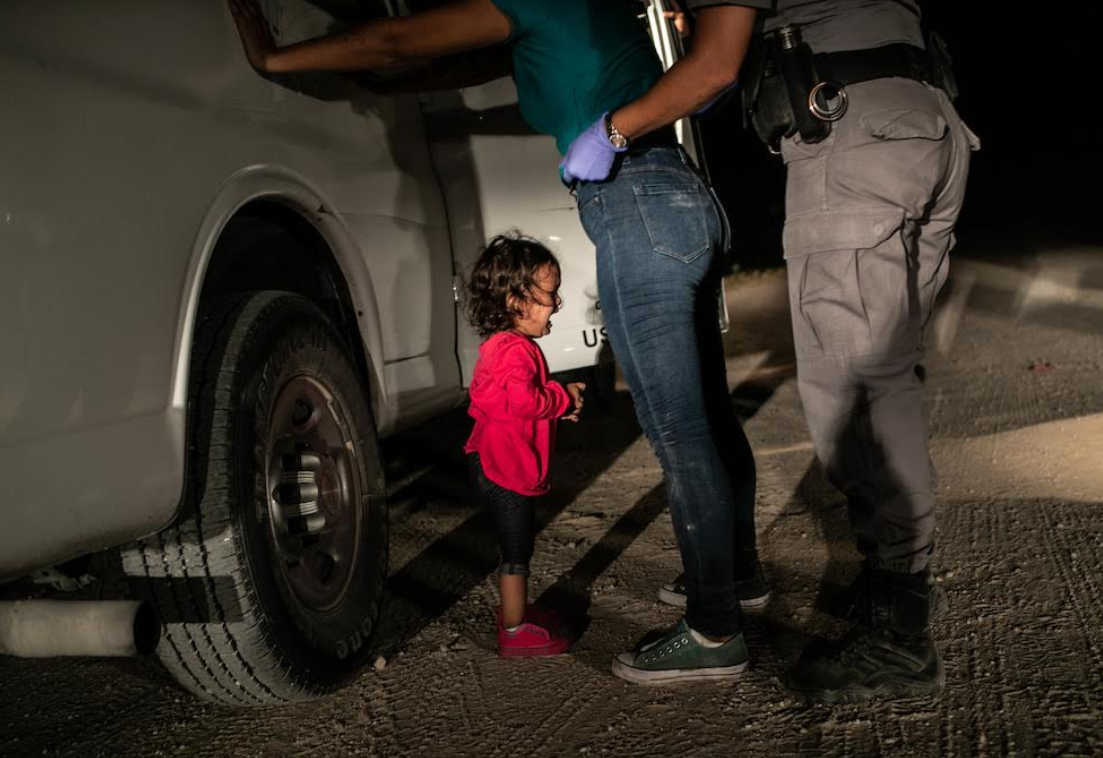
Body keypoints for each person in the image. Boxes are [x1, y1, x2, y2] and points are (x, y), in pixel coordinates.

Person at [226, 0, 767, 684]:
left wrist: (273, 58)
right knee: (708, 419)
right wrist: (365, 81)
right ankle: (735, 577)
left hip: (633, 201)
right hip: (677, 196)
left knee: (678, 430)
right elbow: (431, 65)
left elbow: (396, 38)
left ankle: (714, 627)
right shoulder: (570, 20)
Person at [563, 0, 977, 703]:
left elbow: (714, 66)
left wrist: (611, 129)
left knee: (855, 394)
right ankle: (891, 593)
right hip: (927, 122)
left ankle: (899, 638)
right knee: (888, 377)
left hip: (853, 137)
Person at [463, 234, 583, 657]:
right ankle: (514, 629)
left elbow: (511, 402)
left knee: (515, 545)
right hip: (505, 468)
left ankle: (518, 613)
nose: (557, 303)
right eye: (549, 294)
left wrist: (556, 404)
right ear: (517, 302)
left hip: (491, 460)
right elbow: (522, 401)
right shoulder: (515, 351)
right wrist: (562, 398)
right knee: (516, 549)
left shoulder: (502, 346)